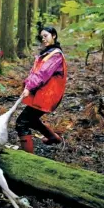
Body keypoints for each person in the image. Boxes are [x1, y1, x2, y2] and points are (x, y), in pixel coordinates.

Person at [16, 26, 67, 154]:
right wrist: (27, 85)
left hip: (47, 96)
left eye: (46, 35)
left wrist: (29, 87)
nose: (43, 39)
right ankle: (52, 137)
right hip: (42, 94)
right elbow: (35, 72)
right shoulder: (48, 52)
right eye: (42, 37)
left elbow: (42, 74)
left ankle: (29, 158)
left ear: (54, 35)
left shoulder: (55, 55)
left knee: (21, 123)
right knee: (31, 120)